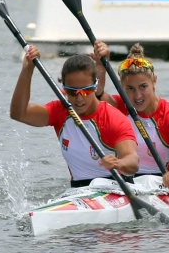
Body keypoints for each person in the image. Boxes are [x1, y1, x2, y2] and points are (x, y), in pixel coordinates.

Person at [10, 45, 139, 188]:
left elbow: (133, 162)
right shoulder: (59, 111)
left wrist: (119, 163)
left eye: (85, 91)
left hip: (117, 188)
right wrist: (27, 70)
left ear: (95, 86)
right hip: (79, 190)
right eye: (72, 92)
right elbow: (18, 113)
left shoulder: (114, 118)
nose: (79, 99)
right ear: (63, 88)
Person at [92, 40, 169, 190]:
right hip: (126, 185)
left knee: (148, 180)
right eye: (129, 88)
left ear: (154, 81)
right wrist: (101, 66)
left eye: (143, 86)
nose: (137, 96)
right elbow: (96, 96)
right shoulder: (120, 107)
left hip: (161, 186)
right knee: (96, 182)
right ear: (121, 87)